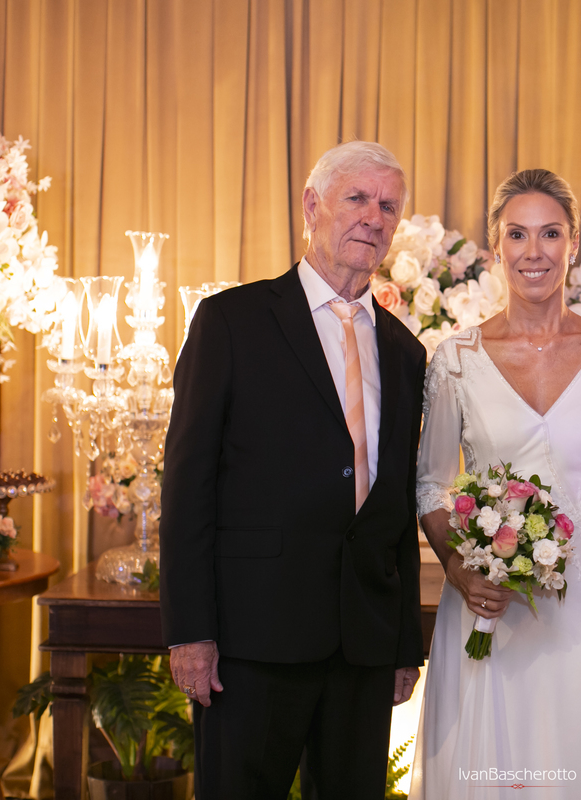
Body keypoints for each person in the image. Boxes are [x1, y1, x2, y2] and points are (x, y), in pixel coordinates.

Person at [159, 141, 427, 799]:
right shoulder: (231, 321)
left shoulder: (404, 351)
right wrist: (190, 633)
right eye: (356, 198)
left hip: (361, 647)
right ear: (312, 206)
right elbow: (187, 488)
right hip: (251, 641)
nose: (373, 217)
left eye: (388, 206)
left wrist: (402, 645)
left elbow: (395, 504)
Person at [408, 169, 581, 800]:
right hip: (486, 603)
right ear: (496, 248)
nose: (534, 251)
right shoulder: (456, 360)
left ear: (573, 244)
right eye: (517, 234)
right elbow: (430, 486)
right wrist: (460, 571)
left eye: (550, 233)